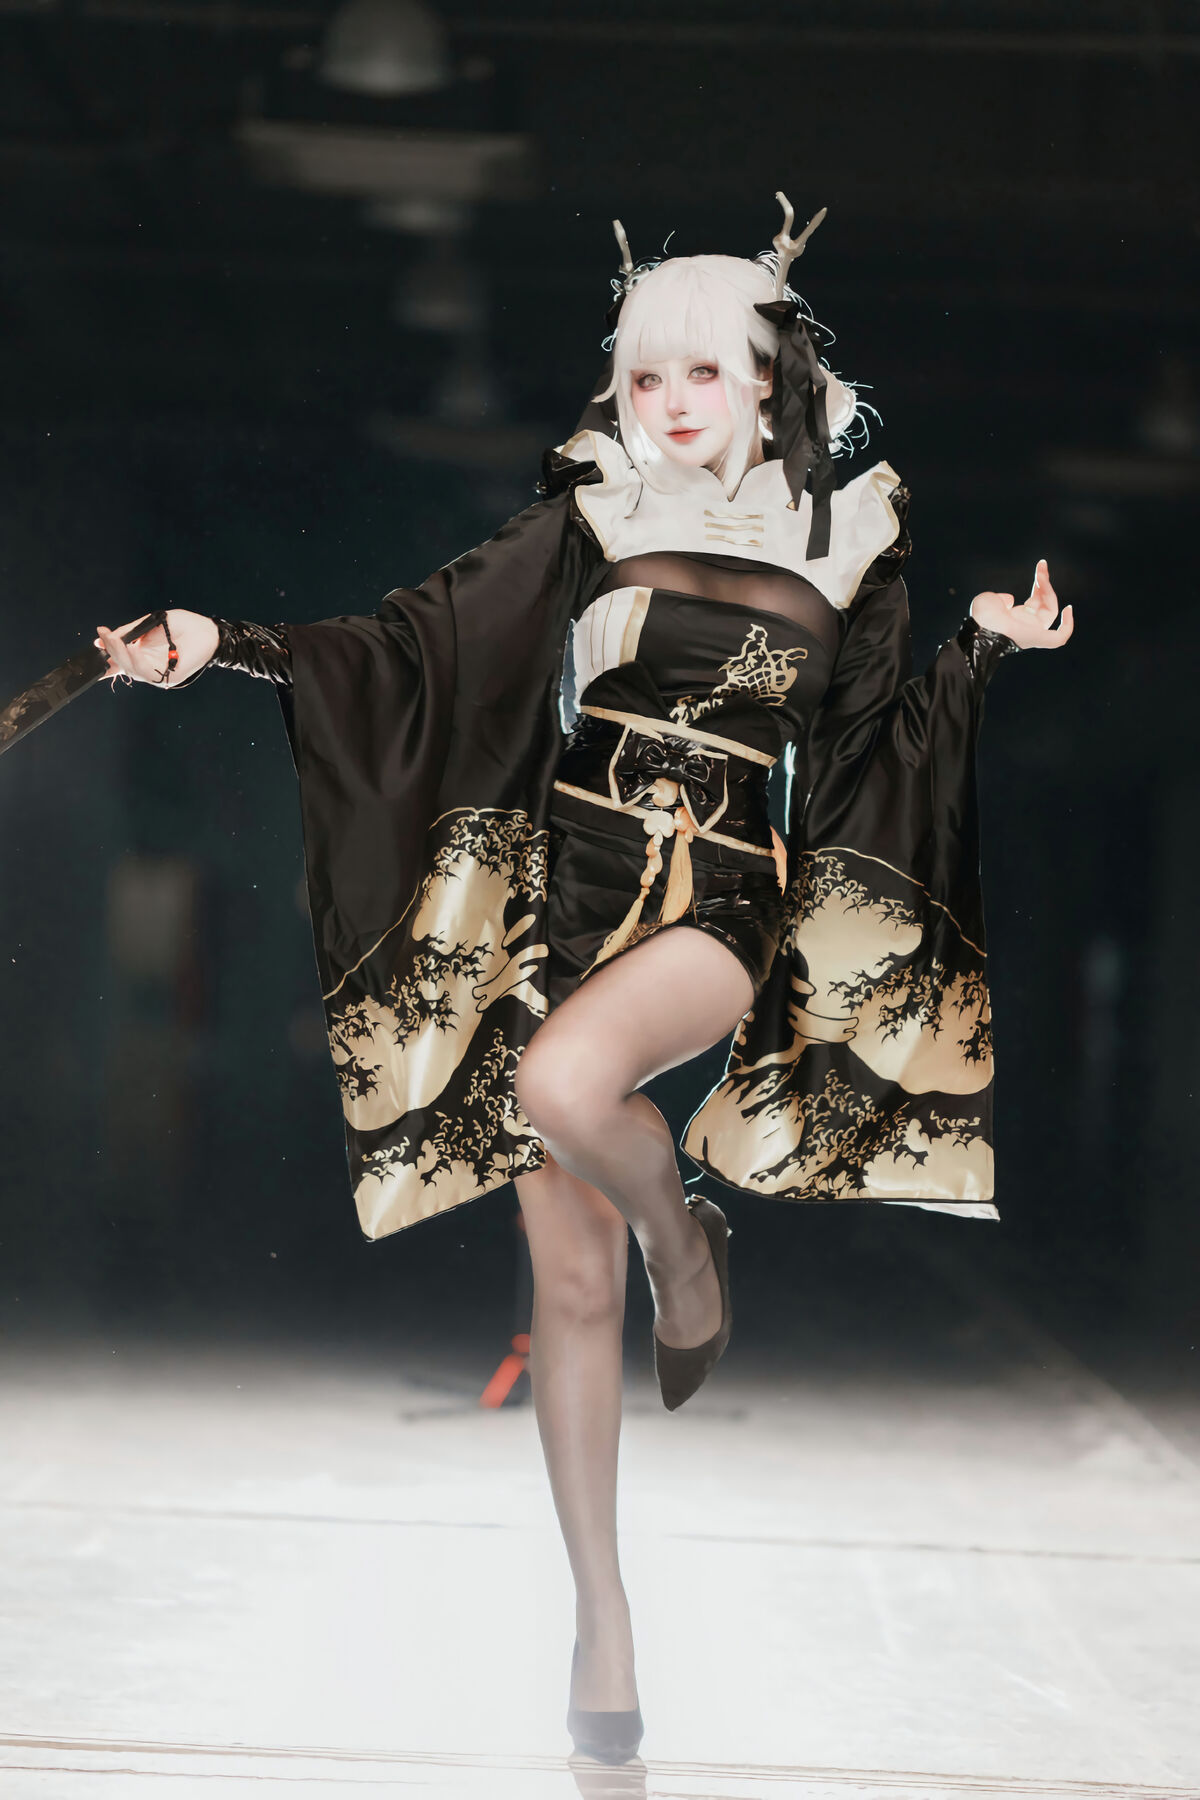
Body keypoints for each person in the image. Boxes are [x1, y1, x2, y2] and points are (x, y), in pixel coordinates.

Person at [92, 197, 1073, 1767]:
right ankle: (601, 1622)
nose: (668, 403)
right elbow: (408, 652)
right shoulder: (593, 507)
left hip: (720, 901)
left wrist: (984, 651)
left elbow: (870, 758)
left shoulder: (853, 530)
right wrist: (221, 640)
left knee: (561, 1084)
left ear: (767, 379)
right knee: (566, 1290)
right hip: (567, 889)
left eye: (701, 373)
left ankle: (690, 1249)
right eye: (643, 377)